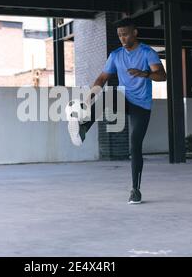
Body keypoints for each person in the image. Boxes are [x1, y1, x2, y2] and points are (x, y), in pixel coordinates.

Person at [68, 17, 167, 204]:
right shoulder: (115, 55)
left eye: (125, 34)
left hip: (142, 105)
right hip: (124, 98)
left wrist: (144, 73)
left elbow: (162, 76)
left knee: (134, 146)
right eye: (119, 35)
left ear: (134, 32)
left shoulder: (147, 53)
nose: (122, 38)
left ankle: (135, 190)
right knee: (107, 94)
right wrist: (88, 99)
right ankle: (82, 128)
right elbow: (102, 78)